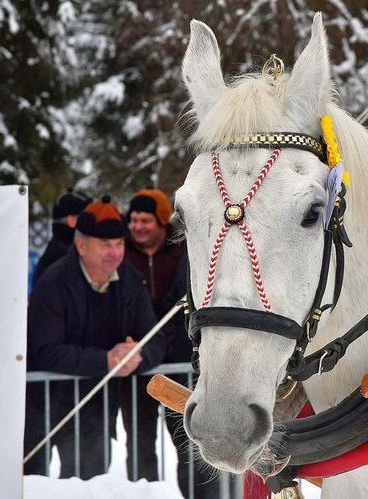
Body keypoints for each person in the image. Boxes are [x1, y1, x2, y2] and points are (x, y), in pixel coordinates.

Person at [27, 195, 167, 479]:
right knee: (32, 482)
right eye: (105, 245)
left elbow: (156, 338)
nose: (114, 253)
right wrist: (106, 360)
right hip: (42, 404)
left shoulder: (130, 279)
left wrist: (138, 357)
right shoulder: (53, 283)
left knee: (90, 485)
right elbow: (45, 350)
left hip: (96, 407)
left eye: (119, 244)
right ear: (81, 245)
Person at [122, 188, 222, 497]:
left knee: (187, 443)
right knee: (139, 442)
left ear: (162, 222)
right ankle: (143, 492)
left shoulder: (184, 251)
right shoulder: (123, 254)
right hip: (139, 367)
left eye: (146, 220)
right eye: (134, 219)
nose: (138, 226)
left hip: (182, 363)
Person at [24, 187, 92, 476]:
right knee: (40, 470)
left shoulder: (61, 255)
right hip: (52, 381)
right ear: (73, 221)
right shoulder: (59, 262)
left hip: (64, 377)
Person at [32, 188, 92, 286]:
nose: (91, 224)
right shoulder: (64, 261)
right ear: (71, 221)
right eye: (87, 218)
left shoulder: (62, 253)